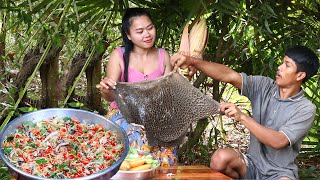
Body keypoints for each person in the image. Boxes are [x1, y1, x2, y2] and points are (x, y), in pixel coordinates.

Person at [170, 45, 319, 179]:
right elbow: (229, 75)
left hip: (280, 173)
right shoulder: (264, 86)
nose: (280, 67)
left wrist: (242, 117)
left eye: (287, 65)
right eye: (282, 62)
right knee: (220, 158)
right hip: (251, 164)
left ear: (300, 75)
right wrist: (192, 61)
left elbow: (278, 141)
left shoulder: (305, 109)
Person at [97, 7, 176, 166]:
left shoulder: (163, 55)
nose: (147, 34)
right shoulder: (119, 55)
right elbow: (111, 95)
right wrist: (106, 90)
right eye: (140, 31)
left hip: (156, 115)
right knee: (137, 146)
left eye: (150, 28)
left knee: (167, 159)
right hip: (124, 114)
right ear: (129, 35)